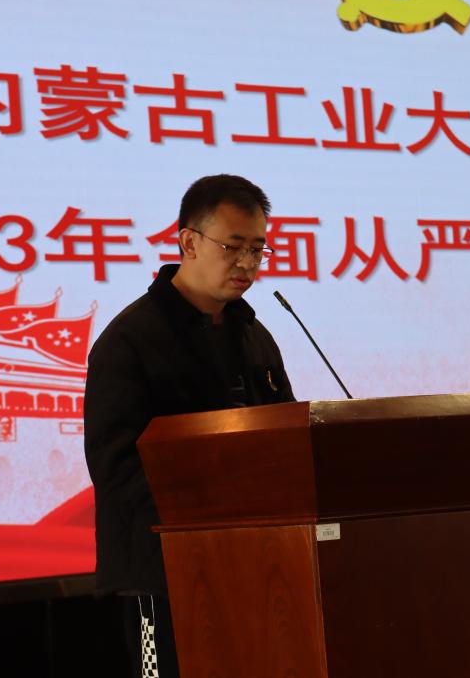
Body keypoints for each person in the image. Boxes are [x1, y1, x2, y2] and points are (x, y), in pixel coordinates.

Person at [83, 174, 295, 678]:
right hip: (163, 575)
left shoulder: (253, 335)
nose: (247, 263)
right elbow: (116, 469)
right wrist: (214, 503)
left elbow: (287, 440)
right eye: (233, 247)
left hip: (254, 564)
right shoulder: (129, 342)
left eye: (257, 249)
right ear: (188, 242)